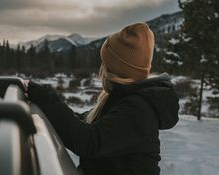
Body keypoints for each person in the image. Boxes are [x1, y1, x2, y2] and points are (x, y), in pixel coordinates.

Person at [20, 23, 179, 175]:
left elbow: (88, 141)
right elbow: (85, 122)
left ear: (114, 68)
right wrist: (44, 103)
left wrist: (47, 97)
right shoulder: (124, 99)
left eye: (105, 62)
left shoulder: (137, 109)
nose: (101, 67)